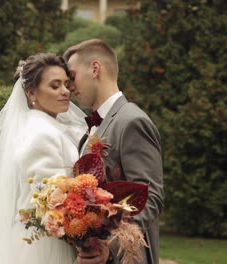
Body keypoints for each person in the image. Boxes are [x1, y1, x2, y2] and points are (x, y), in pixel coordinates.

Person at [0, 53, 87, 264]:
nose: (65, 91)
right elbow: (52, 197)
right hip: (44, 245)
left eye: (66, 85)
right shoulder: (40, 133)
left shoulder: (48, 127)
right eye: (55, 86)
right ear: (31, 92)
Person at [64, 39, 164, 264]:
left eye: (72, 76)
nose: (69, 86)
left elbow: (151, 197)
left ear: (95, 69)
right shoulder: (92, 126)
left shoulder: (132, 120)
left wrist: (110, 247)